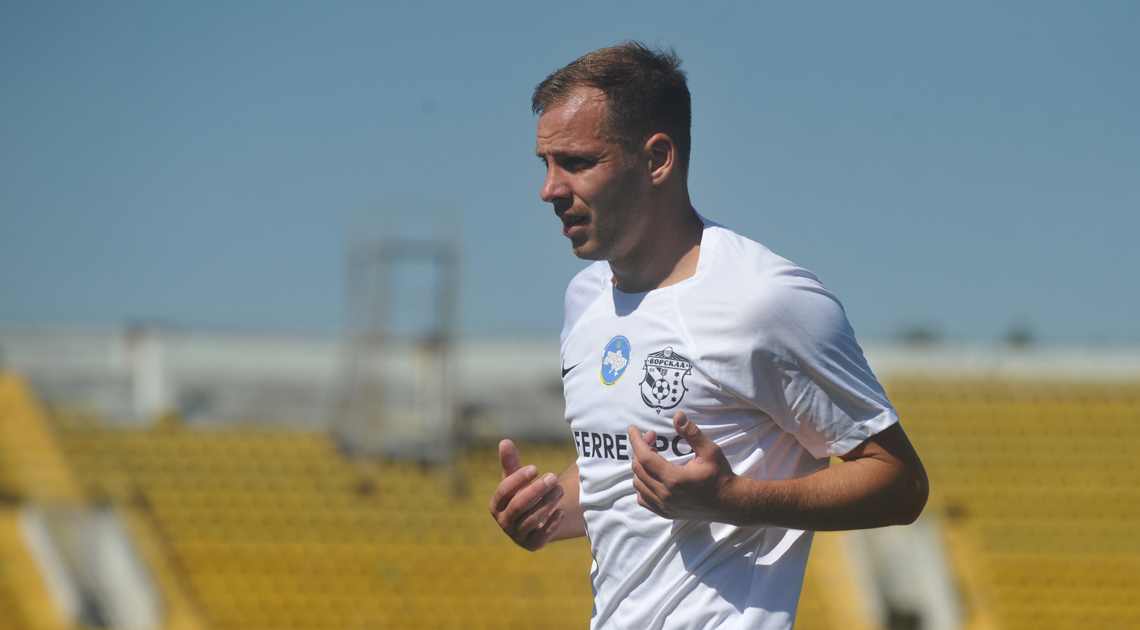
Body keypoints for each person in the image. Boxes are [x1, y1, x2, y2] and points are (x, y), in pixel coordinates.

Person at [489, 42, 929, 630]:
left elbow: (901, 483)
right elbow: (623, 470)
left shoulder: (766, 301)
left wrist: (735, 499)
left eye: (577, 162)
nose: (550, 188)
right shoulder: (584, 297)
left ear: (657, 159)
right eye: (546, 163)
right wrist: (550, 512)